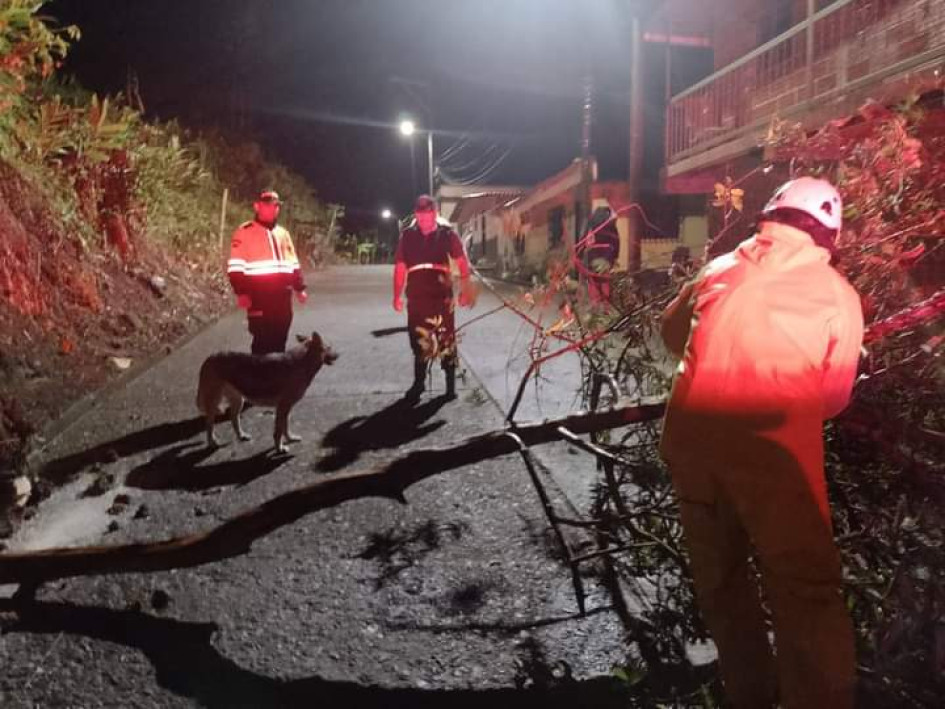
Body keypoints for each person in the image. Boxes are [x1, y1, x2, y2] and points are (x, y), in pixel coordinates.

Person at [659, 177, 864, 708]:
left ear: (769, 219)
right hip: (774, 465)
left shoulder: (720, 269)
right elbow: (834, 398)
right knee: (806, 592)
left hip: (693, 454)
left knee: (723, 586)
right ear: (828, 236)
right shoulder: (838, 297)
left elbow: (669, 333)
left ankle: (748, 695)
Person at [392, 194, 474, 401]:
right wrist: (397, 295)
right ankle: (418, 384)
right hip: (417, 297)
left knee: (446, 339)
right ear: (416, 216)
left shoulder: (448, 235)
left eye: (427, 216)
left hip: (442, 297)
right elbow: (401, 267)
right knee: (419, 341)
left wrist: (466, 289)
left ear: (435, 214)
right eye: (420, 217)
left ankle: (450, 387)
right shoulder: (407, 237)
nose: (424, 221)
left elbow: (462, 262)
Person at [227, 190, 308, 355]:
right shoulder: (245, 232)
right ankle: (258, 379)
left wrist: (299, 288)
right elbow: (236, 266)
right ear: (257, 207)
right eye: (268, 206)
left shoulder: (283, 233)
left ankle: (276, 378)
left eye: (276, 206)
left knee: (280, 340)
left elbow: (293, 262)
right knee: (262, 342)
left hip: (283, 298)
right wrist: (241, 292)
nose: (273, 209)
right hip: (259, 297)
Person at [583, 206, 619, 305]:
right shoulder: (610, 226)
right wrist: (614, 258)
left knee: (593, 284)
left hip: (592, 259)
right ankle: (605, 309)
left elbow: (583, 241)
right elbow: (616, 242)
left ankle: (595, 306)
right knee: (605, 284)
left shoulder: (590, 225)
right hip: (606, 259)